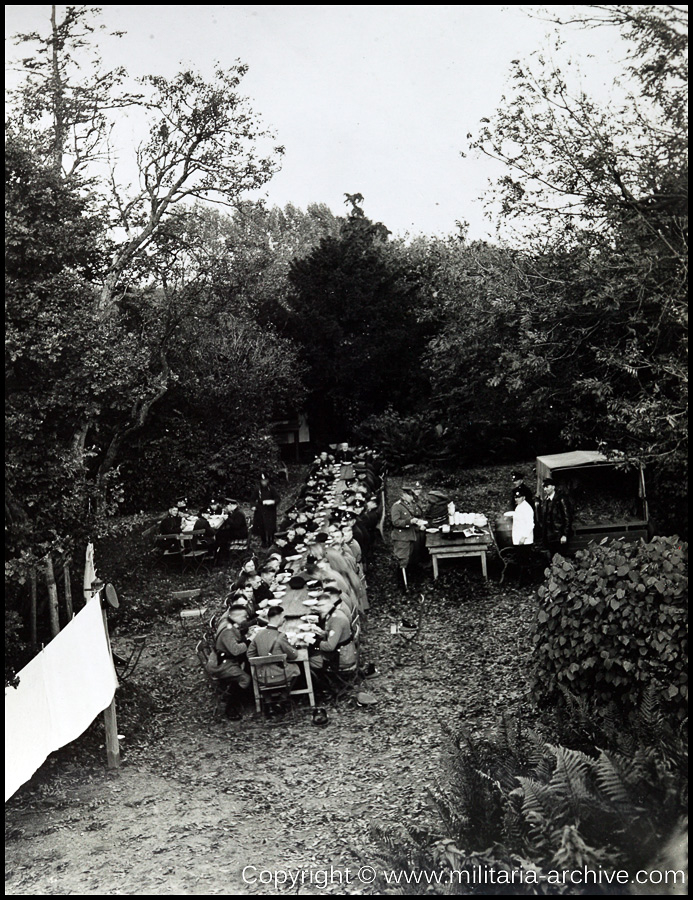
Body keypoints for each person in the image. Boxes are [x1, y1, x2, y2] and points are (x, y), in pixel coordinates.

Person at [205, 604, 252, 719]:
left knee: (248, 663)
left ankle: (246, 695)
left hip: (225, 658)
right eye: (244, 617)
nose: (245, 619)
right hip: (221, 665)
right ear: (235, 616)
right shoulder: (228, 630)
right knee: (245, 678)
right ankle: (231, 708)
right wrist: (249, 641)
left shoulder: (228, 622)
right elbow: (235, 650)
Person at [246, 605, 301, 688]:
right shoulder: (281, 636)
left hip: (261, 676)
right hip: (280, 675)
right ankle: (285, 695)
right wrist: (292, 644)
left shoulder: (258, 635)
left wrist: (263, 656)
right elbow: (294, 655)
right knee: (297, 667)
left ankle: (269, 696)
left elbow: (250, 655)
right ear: (278, 617)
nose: (284, 619)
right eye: (283, 617)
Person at [390, 485, 427, 581]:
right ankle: (402, 583)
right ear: (404, 495)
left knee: (410, 558)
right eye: (410, 495)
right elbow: (395, 522)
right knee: (403, 560)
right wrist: (409, 522)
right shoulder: (397, 506)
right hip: (401, 537)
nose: (412, 498)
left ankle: (410, 579)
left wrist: (418, 524)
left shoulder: (409, 504)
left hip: (410, 535)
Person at [539, 477, 572, 556]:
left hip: (559, 535)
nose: (545, 489)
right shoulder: (545, 501)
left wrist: (565, 534)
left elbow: (567, 517)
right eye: (544, 487)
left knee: (560, 558)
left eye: (547, 486)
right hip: (550, 536)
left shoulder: (561, 499)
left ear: (553, 487)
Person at [252, 474, 281, 547]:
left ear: (267, 481)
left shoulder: (272, 489)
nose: (264, 482)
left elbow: (277, 499)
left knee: (270, 526)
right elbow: (252, 499)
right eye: (262, 481)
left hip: (270, 510)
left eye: (265, 481)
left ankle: (271, 541)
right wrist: (253, 506)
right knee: (261, 527)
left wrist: (272, 502)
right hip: (260, 511)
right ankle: (264, 541)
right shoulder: (258, 490)